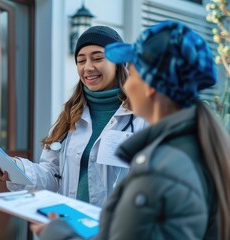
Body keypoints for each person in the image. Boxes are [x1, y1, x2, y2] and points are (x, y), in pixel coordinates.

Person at [32, 20, 230, 240]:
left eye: (133, 74)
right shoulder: (197, 143)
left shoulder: (159, 166)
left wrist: (56, 234)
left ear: (151, 85)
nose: (127, 84)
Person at [0, 26, 147, 207]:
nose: (88, 67)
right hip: (72, 227)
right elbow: (52, 174)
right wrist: (17, 169)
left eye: (97, 58)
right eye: (80, 60)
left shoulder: (142, 116)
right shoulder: (70, 115)